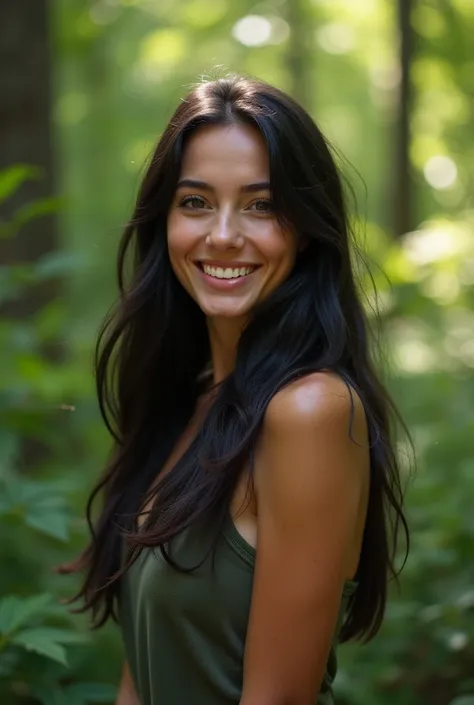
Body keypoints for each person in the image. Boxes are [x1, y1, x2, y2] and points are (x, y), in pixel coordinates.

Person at [67, 75, 409, 705]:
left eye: (261, 205)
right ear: (164, 220)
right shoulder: (189, 406)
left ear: (305, 228)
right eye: (195, 202)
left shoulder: (310, 411)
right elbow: (140, 679)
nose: (222, 235)